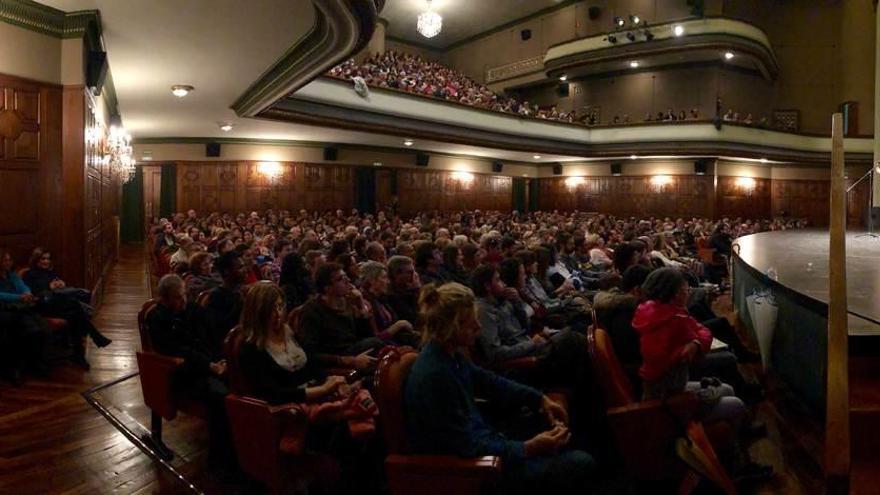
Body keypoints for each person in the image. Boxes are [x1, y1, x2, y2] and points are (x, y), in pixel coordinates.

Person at [404, 282, 596, 494]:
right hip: (477, 471)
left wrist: (539, 399)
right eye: (471, 323)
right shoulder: (435, 375)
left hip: (489, 441)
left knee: (565, 427)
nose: (478, 327)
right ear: (452, 326)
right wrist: (528, 447)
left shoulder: (450, 354)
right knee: (582, 463)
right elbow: (464, 446)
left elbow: (492, 383)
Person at [631, 268, 772, 483]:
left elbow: (701, 333)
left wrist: (694, 343)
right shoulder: (673, 319)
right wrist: (691, 345)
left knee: (728, 389)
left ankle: (736, 446)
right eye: (684, 288)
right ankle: (733, 469)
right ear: (675, 293)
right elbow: (701, 336)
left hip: (661, 390)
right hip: (668, 402)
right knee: (735, 404)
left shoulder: (651, 311)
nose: (688, 292)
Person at [145, 274, 235, 473]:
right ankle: (219, 461)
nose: (183, 301)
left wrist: (220, 359)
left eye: (184, 295)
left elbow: (210, 336)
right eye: (178, 297)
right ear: (164, 299)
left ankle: (238, 452)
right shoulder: (157, 318)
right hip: (184, 374)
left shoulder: (192, 309)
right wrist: (210, 365)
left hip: (207, 365)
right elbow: (177, 351)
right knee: (222, 397)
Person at [24, 247, 112, 369]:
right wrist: (49, 287)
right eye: (43, 258)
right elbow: (34, 294)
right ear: (36, 259)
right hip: (42, 306)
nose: (46, 261)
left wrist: (61, 284)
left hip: (58, 305)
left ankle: (80, 353)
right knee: (75, 307)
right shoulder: (29, 274)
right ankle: (93, 339)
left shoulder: (51, 272)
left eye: (48, 259)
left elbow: (59, 289)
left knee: (75, 313)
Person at [298, 263, 383, 372]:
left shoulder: (348, 301)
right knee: (375, 344)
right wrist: (349, 360)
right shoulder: (312, 310)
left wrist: (361, 305)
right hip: (336, 359)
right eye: (340, 279)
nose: (347, 281)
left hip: (355, 351)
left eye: (346, 277)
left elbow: (365, 335)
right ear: (327, 288)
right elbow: (309, 353)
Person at [0, 248, 50, 384]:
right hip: (5, 309)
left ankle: (37, 363)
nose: (9, 262)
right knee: (20, 328)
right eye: (5, 260)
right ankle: (14, 368)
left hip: (19, 307)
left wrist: (27, 293)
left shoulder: (11, 275)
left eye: (9, 259)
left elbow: (23, 286)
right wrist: (19, 297)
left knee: (41, 327)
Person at [359, 261, 420, 347]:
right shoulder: (366, 303)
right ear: (372, 280)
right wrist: (398, 325)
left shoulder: (382, 298)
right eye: (384, 277)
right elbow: (375, 338)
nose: (388, 282)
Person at [203, 251, 246, 356]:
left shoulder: (242, 290)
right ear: (227, 271)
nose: (245, 270)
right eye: (240, 267)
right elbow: (219, 331)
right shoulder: (216, 297)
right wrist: (240, 304)